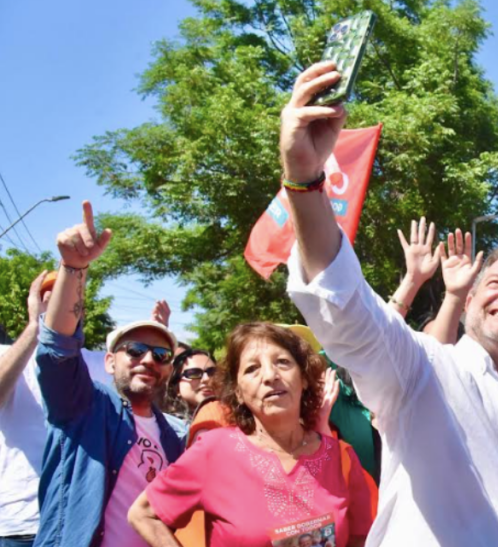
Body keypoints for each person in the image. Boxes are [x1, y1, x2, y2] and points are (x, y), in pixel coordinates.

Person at [279, 61, 498, 546]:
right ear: (472, 296)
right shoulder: (424, 370)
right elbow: (350, 314)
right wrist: (306, 182)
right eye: (496, 282)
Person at [128, 323, 374, 547]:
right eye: (252, 369)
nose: (270, 376)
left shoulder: (341, 457)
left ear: (304, 379)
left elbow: (359, 537)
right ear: (237, 392)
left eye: (283, 362)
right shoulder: (214, 451)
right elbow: (143, 513)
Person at [34, 201, 185, 547]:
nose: (148, 359)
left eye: (160, 354)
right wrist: (73, 267)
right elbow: (57, 348)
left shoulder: (173, 439)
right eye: (134, 350)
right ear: (108, 362)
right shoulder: (85, 407)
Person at [0, 271, 49, 547]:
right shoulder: (7, 354)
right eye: (47, 296)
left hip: (77, 523)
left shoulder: (93, 361)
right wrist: (35, 329)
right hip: (20, 526)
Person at [164, 347, 218, 422]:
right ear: (176, 388)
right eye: (194, 373)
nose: (206, 379)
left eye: (212, 372)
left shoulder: (235, 420)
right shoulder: (166, 427)